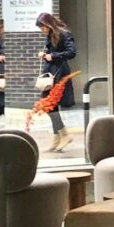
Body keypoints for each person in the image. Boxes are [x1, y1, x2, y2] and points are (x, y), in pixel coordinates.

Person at [36, 11, 77, 152]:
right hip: (50, 74)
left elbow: (72, 52)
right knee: (49, 106)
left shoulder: (64, 34)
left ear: (48, 24)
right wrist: (45, 55)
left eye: (43, 27)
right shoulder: (50, 35)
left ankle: (63, 135)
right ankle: (58, 137)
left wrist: (52, 56)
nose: (42, 30)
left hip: (59, 74)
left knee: (50, 105)